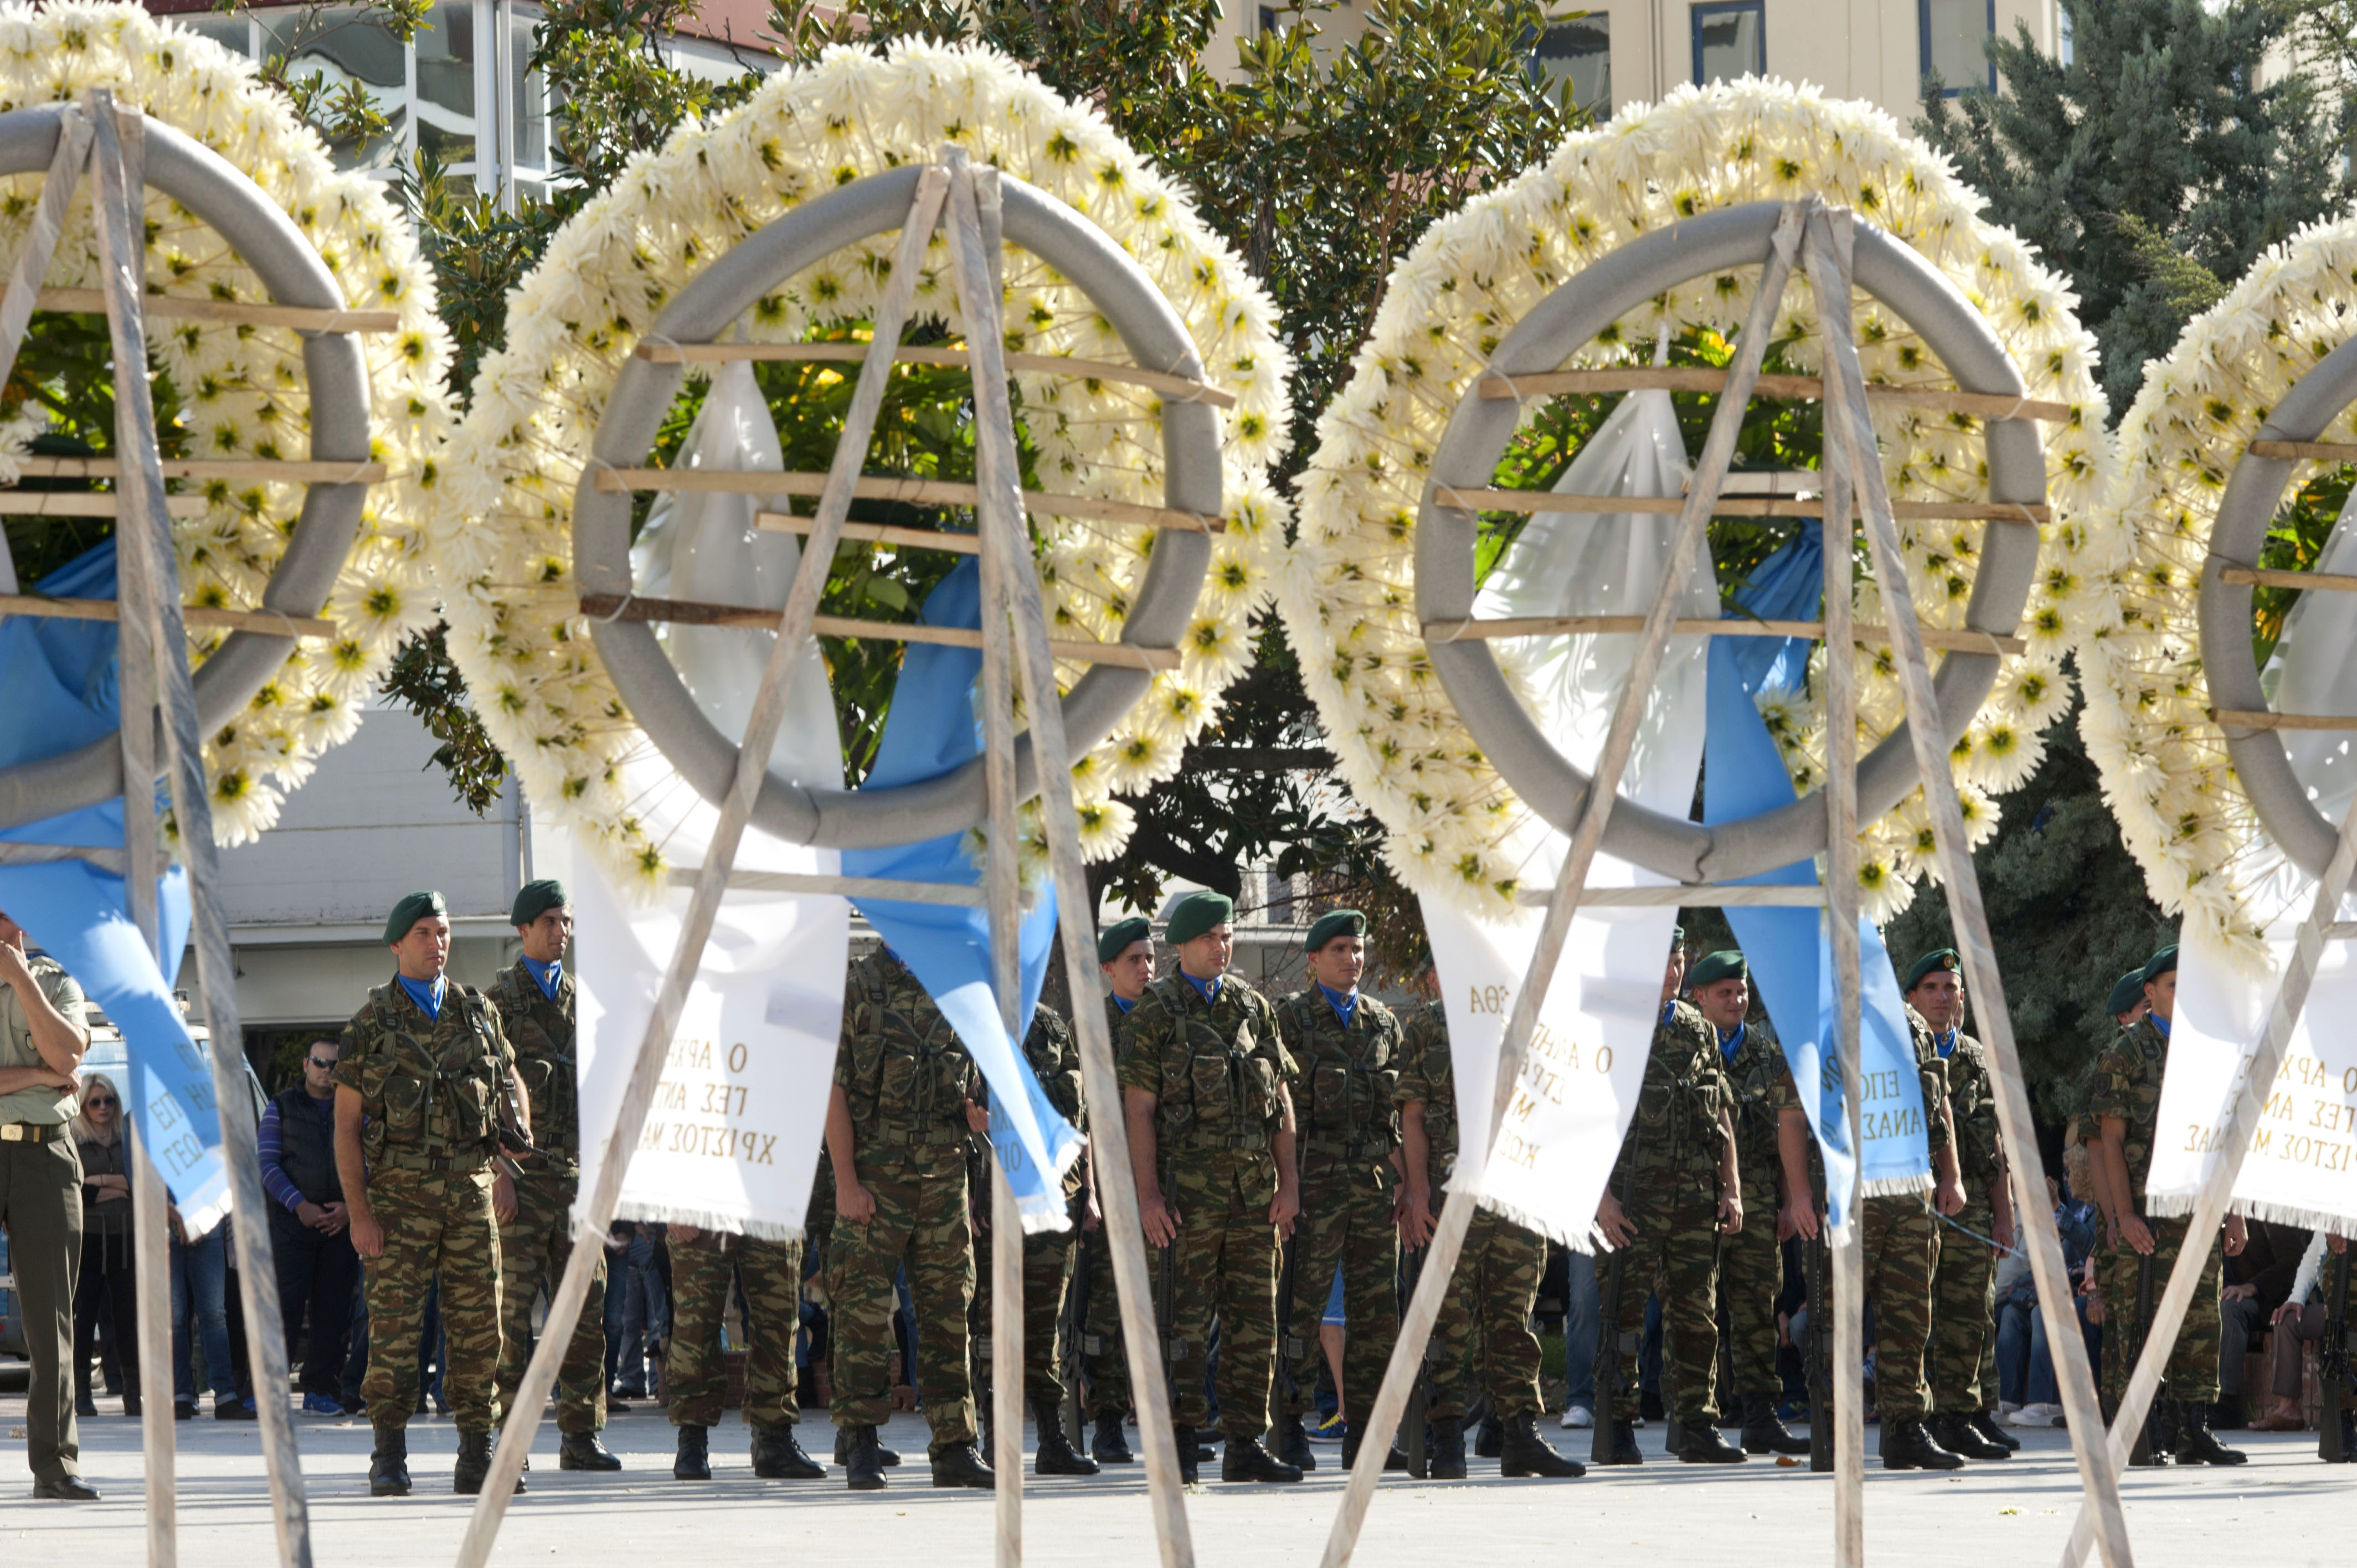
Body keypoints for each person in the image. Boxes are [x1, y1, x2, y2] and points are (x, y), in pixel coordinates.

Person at [333, 890, 531, 1498]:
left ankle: (478, 1452)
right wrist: (360, 1215)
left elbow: (508, 1078)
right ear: (396, 944)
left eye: (442, 932)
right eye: (422, 933)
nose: (436, 943)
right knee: (393, 1331)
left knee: (480, 1331)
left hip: (470, 1195)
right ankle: (388, 1453)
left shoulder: (478, 1013)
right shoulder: (370, 1025)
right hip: (400, 1201)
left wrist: (516, 1130)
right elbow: (344, 1127)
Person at [1117, 889, 1304, 1485]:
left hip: (1252, 1194)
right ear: (1180, 946)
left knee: (1255, 1323)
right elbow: (1138, 1111)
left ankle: (1245, 1441)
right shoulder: (1156, 1012)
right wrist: (1146, 1196)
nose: (1220, 947)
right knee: (1182, 1323)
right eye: (1208, 938)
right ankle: (1178, 1441)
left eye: (1226, 937)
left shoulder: (1253, 1007)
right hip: (1184, 1199)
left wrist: (1289, 1182)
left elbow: (1278, 1100)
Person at [1396, 975, 1582, 1479]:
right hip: (1451, 1196)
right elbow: (1410, 1117)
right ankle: (1448, 1434)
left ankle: (1519, 1433)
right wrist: (1415, 1192)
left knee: (1514, 1321)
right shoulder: (1431, 1027)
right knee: (1450, 1320)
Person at [824, 943, 993, 1491]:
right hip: (877, 1173)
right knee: (863, 1312)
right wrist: (846, 1182)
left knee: (948, 1311)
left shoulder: (957, 979)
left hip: (944, 1174)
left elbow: (973, 1082)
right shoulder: (858, 986)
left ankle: (954, 1446)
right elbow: (835, 1090)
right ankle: (861, 1440)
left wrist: (974, 1116)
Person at [2086, 943, 2248, 1466]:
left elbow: (2229, 1135)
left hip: (2200, 1210)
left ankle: (2193, 1429)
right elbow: (2108, 1140)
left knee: (2202, 1320)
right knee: (2139, 1321)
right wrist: (2122, 1216)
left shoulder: (2213, 1048)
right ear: (2150, 992)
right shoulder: (2127, 1053)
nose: (2185, 995)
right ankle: (2135, 1429)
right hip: (2148, 1216)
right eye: (2174, 985)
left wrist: (2236, 1208)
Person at [485, 880, 621, 1473]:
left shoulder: (585, 1001)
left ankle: (581, 1436)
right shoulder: (495, 1005)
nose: (559, 932)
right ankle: (506, 1440)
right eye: (547, 921)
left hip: (578, 1184)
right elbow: (482, 1099)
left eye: (564, 922)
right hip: (521, 1180)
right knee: (510, 1319)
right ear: (522, 931)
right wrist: (499, 1175)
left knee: (585, 1311)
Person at [1594, 937, 1744, 1466]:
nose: (1674, 971)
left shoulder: (1697, 1028)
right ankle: (1617, 1423)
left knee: (1697, 1313)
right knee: (1624, 1315)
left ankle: (1696, 1424)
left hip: (1693, 1194)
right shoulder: (1608, 1027)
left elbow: (1721, 1110)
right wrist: (1600, 1199)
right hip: (1630, 1198)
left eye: (1679, 961)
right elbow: (1584, 1118)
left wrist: (1731, 1187)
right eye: (1663, 961)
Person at [1275, 910, 1408, 1472]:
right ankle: (1288, 1427)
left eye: (1356, 950)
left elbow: (1396, 1117)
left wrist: (1407, 1186)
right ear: (1312, 961)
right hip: (1315, 1190)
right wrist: (1286, 1189)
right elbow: (1274, 1112)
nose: (1351, 960)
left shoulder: (1382, 1023)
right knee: (1301, 1314)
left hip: (1374, 1191)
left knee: (1377, 1316)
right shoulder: (1291, 1020)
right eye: (1337, 951)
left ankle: (1369, 1435)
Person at [1688, 950, 1809, 1458]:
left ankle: (1760, 1415)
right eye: (1725, 993)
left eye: (1741, 992)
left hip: (1758, 1201)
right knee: (1696, 1310)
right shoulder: (1683, 1048)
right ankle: (1696, 1418)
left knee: (1759, 1308)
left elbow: (1785, 1131)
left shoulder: (1765, 1053)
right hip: (1694, 1200)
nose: (1736, 1000)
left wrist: (1788, 1199)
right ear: (1700, 998)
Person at [974, 1000, 1100, 1478]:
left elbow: (1078, 1118)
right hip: (994, 1199)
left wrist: (1088, 1192)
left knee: (1046, 1325)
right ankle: (993, 1441)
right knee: (993, 1324)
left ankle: (1052, 1440)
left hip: (1053, 1196)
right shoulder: (965, 1014)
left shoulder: (1049, 1024)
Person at [0, 907, 99, 1498]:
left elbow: (67, 1058)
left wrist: (19, 978)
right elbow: (55, 1070)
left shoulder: (56, 982)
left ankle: (56, 1466)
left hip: (46, 1157)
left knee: (50, 1322)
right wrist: (37, 1076)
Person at [1907, 949, 2018, 1462]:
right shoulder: (1901, 1048)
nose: (1941, 997)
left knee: (1972, 1312)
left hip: (1970, 1201)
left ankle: (1963, 1414)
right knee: (1919, 1314)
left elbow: (1993, 1143)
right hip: (1916, 1201)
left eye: (1949, 988)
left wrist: (2005, 1213)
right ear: (1911, 998)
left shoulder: (1974, 1056)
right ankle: (1925, 1416)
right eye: (1930, 988)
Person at [1859, 995, 1969, 1471]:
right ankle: (1832, 1422)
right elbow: (1794, 1115)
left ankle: (1906, 1427)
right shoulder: (1820, 1013)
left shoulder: (1913, 1023)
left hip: (1911, 1188)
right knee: (1838, 1313)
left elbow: (1938, 1103)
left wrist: (1952, 1175)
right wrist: (1799, 1194)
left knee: (1909, 1314)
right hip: (1853, 1188)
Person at [666, 1219, 825, 1481]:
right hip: (703, 1190)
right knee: (696, 1318)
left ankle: (773, 1440)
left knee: (778, 1317)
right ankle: (692, 1440)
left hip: (768, 1193)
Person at [1082, 916, 1152, 1464]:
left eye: (1150, 958)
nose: (1146, 969)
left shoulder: (1169, 1020)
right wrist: (1090, 1191)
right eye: (1134, 960)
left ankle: (1170, 1415)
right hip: (1110, 1183)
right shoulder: (1092, 1028)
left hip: (1167, 1184)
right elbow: (1081, 1118)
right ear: (1107, 968)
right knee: (1107, 1308)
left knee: (1173, 1307)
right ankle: (1107, 1420)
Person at [261, 1038, 361, 1417]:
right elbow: (267, 1165)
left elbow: (371, 1159)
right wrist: (299, 1205)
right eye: (320, 1062)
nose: (326, 1069)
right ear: (305, 1064)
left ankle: (321, 1390)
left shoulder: (354, 1108)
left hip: (340, 1228)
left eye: (334, 1064)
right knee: (283, 1310)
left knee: (333, 1314)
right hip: (292, 1228)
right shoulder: (280, 1106)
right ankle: (270, 1392)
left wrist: (352, 1209)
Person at [68, 1071, 138, 1420]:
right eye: (95, 1101)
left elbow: (137, 1184)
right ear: (83, 1106)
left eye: (109, 1100)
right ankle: (81, 1392)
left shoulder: (128, 1140)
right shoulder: (75, 1140)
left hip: (125, 1237)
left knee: (128, 1319)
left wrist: (102, 1184)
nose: (103, 1107)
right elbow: (79, 1190)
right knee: (85, 1318)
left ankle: (133, 1393)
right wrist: (117, 1186)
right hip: (90, 1239)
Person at [2217, 1218, 2309, 1430]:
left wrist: (2253, 1287)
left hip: (2271, 1301)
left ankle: (2223, 1404)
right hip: (2225, 1292)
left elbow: (2294, 1261)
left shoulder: (2270, 1207)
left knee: (2232, 1307)